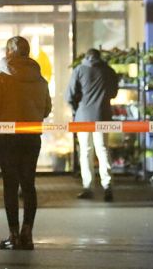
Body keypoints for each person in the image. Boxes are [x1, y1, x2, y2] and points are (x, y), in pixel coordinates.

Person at [0, 36, 51, 251]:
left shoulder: (1, 76)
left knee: (10, 186)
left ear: (9, 52)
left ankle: (13, 234)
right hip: (32, 137)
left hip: (7, 138)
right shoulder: (40, 78)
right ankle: (27, 234)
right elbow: (46, 109)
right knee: (29, 185)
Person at [66, 48, 119, 202]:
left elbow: (69, 95)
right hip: (102, 115)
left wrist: (77, 109)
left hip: (83, 117)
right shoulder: (109, 71)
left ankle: (87, 186)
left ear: (86, 57)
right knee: (103, 150)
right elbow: (114, 93)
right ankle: (107, 186)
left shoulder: (79, 70)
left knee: (85, 151)